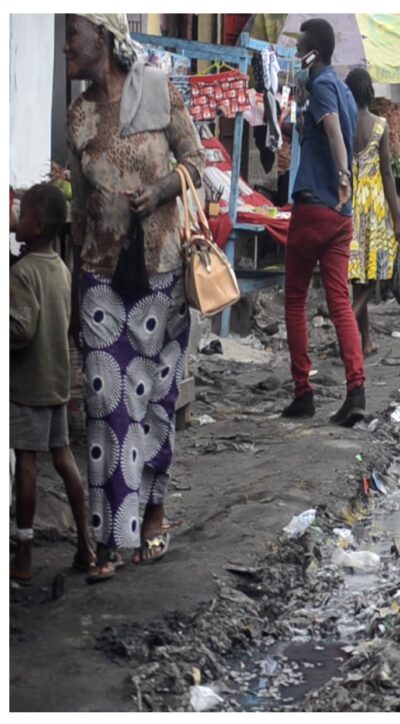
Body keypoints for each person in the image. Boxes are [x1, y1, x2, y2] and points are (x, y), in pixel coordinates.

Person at [65, 14, 204, 581]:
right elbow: (79, 207)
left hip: (160, 274)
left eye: (72, 33)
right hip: (100, 275)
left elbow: (197, 163)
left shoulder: (155, 87)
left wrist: (163, 188)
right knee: (105, 401)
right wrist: (75, 280)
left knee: (150, 404)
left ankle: (152, 511)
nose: (65, 45)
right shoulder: (77, 117)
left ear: (102, 37)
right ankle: (104, 539)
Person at [282, 18, 366, 427]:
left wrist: (342, 174)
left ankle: (304, 391)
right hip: (340, 218)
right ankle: (356, 389)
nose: (297, 55)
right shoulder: (345, 90)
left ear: (314, 53)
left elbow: (333, 132)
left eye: (300, 49)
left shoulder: (320, 88)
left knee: (295, 299)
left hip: (315, 204)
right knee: (339, 303)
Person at [10, 184, 94, 584]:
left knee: (27, 465)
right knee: (63, 460)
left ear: (37, 224)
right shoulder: (60, 267)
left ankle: (24, 555)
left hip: (29, 386)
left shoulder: (23, 273)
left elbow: (21, 330)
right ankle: (86, 543)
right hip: (59, 381)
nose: (16, 219)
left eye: (21, 213)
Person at [345, 68, 400, 358]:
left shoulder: (344, 125)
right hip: (373, 206)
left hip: (349, 204)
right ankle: (344, 324)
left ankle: (366, 341)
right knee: (373, 279)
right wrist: (398, 221)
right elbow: (387, 173)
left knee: (359, 278)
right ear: (369, 92)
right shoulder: (379, 125)